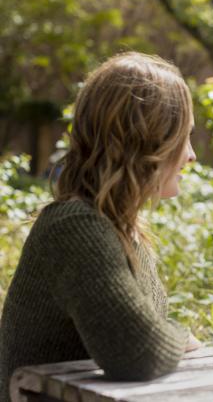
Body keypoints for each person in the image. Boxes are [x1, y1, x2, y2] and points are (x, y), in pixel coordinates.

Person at [0, 52, 200, 401]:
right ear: (148, 141)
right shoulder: (76, 228)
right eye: (184, 138)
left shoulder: (121, 228)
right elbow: (137, 354)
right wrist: (182, 337)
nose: (192, 155)